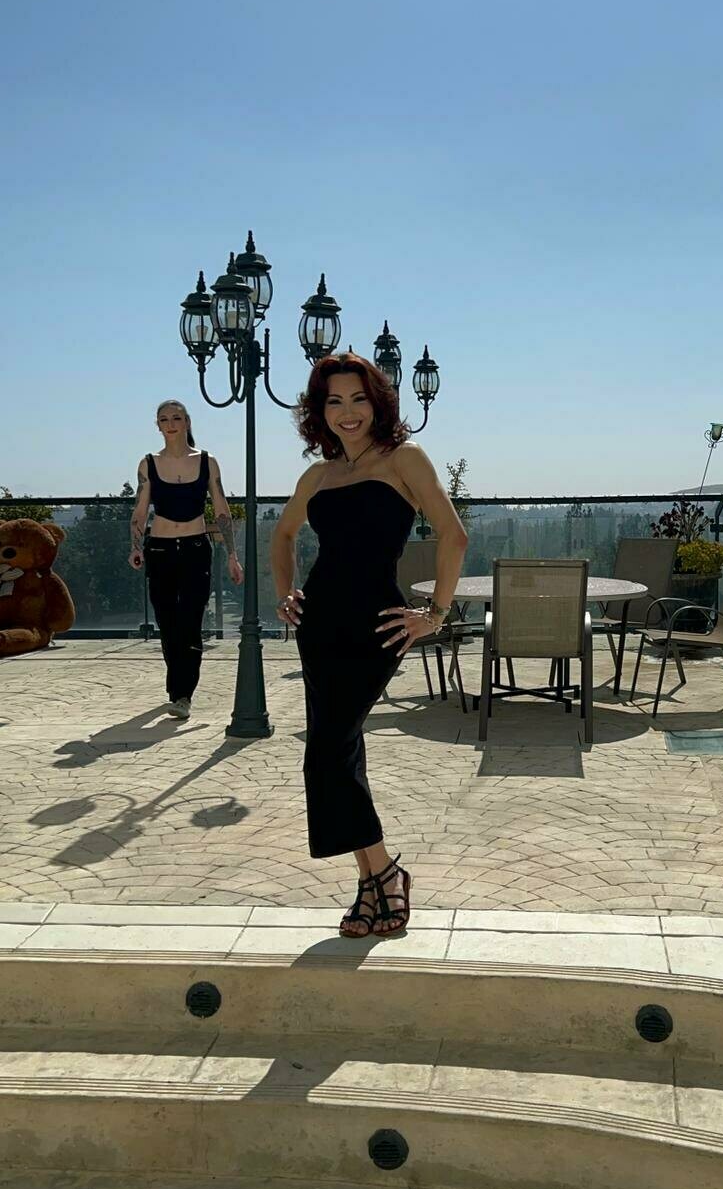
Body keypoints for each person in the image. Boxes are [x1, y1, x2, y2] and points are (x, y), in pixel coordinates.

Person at [271, 354, 468, 937]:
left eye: (358, 398)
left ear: (377, 402)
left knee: (328, 751)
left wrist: (435, 613)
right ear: (320, 410)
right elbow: (282, 535)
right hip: (319, 625)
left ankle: (383, 872)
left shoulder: (404, 458)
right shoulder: (318, 475)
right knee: (337, 751)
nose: (347, 412)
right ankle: (373, 884)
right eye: (334, 401)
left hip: (376, 625)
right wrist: (285, 593)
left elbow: (454, 534)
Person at [128, 399, 244, 717]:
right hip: (160, 549)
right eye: (164, 419)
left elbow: (221, 510)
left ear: (187, 422)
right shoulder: (148, 463)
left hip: (196, 548)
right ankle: (176, 688)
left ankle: (183, 695)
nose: (171, 424)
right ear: (158, 425)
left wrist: (232, 555)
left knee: (191, 622)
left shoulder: (207, 462)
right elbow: (140, 510)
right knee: (168, 623)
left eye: (176, 418)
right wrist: (135, 547)